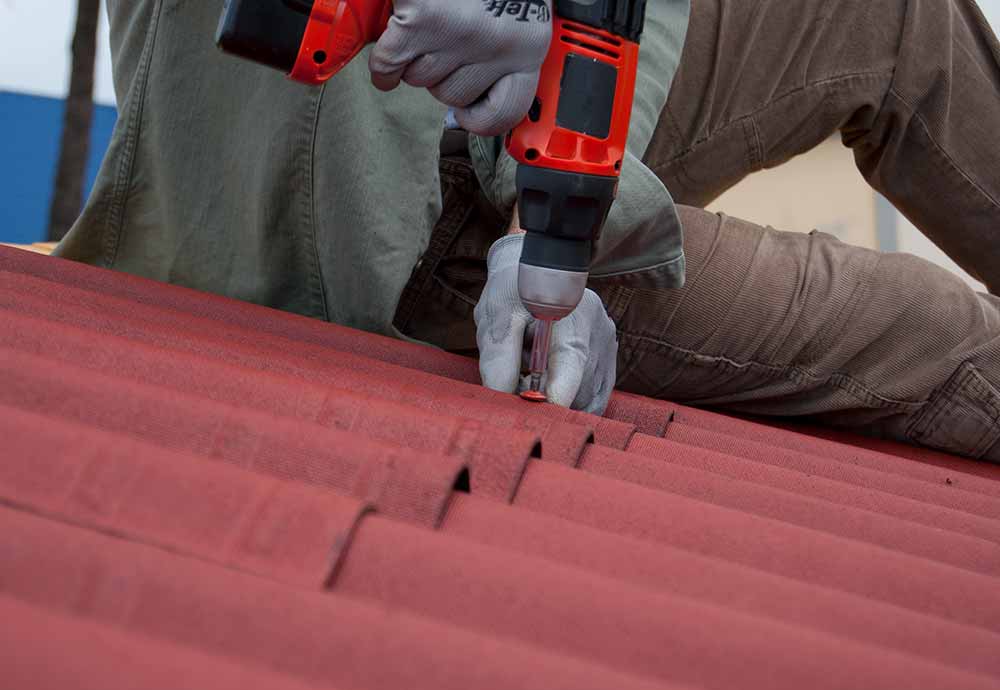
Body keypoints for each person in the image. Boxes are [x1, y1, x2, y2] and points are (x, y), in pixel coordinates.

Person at [57, 0, 1000, 462]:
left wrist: (576, 105)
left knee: (896, 16)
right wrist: (549, 224)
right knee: (945, 344)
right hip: (384, 231)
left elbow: (613, 19)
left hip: (521, 153)